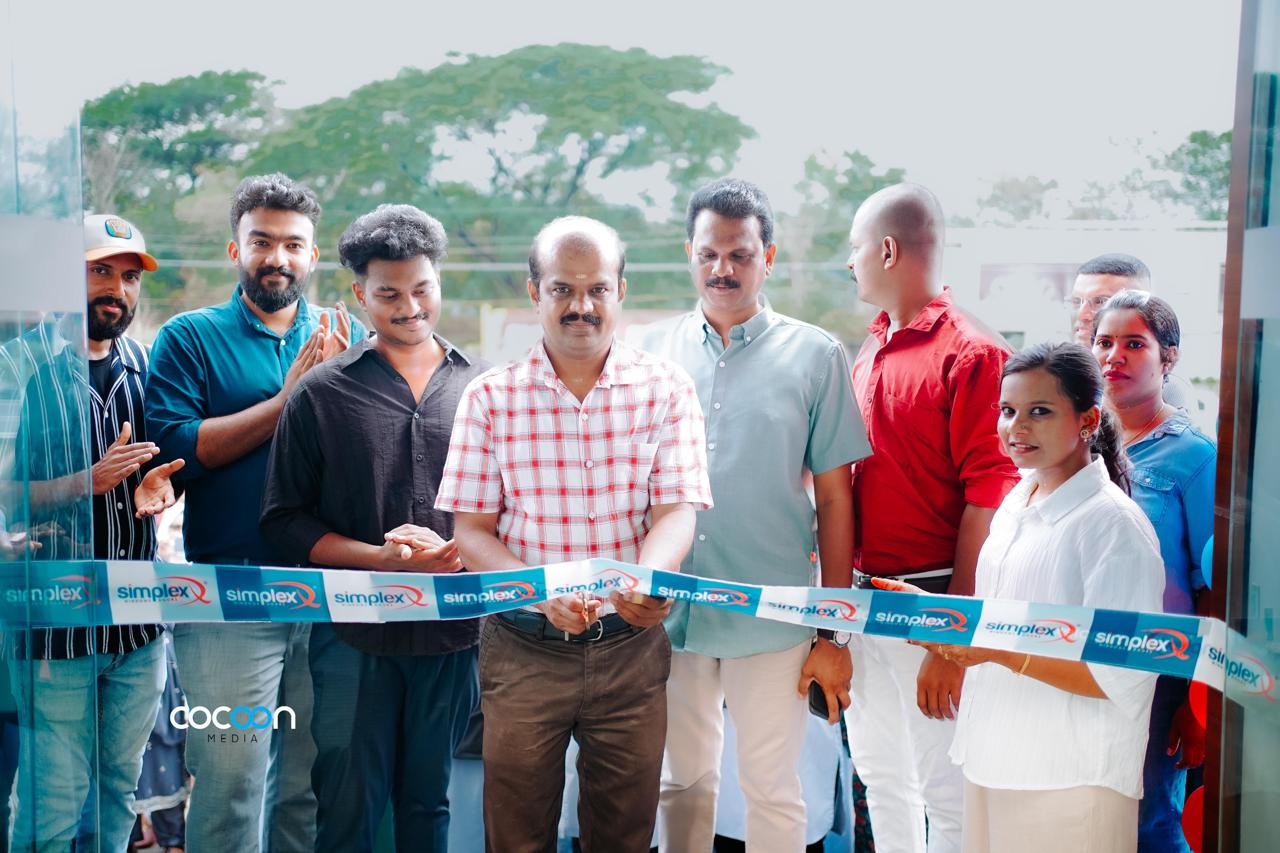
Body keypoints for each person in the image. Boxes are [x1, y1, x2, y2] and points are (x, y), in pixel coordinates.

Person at [437, 216, 712, 853]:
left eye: (597, 289)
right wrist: (540, 594)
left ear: (621, 291)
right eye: (563, 289)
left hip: (631, 648)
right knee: (517, 836)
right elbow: (471, 532)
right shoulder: (489, 398)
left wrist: (645, 581)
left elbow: (676, 511)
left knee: (623, 836)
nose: (581, 306)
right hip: (522, 648)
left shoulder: (666, 389)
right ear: (535, 292)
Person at [635, 178, 870, 851]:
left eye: (740, 254)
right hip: (667, 614)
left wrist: (832, 630)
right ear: (689, 253)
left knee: (771, 788)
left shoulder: (817, 355)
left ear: (767, 257)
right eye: (709, 253)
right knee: (680, 783)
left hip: (772, 616)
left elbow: (836, 498)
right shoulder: (646, 352)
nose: (723, 269)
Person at [146, 173, 364, 852]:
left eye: (293, 244)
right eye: (261, 241)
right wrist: (290, 400)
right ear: (234, 249)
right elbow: (176, 449)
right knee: (228, 780)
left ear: (313, 255)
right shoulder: (189, 336)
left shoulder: (349, 333)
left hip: (330, 598)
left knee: (307, 785)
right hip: (229, 599)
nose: (277, 257)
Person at [261, 204, 486, 852]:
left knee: (429, 802)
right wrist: (378, 559)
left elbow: (507, 509)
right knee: (346, 803)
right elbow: (283, 520)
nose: (410, 307)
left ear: (439, 282)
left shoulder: (481, 389)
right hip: (353, 636)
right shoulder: (320, 393)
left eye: (422, 289)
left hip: (453, 635)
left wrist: (461, 552)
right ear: (360, 295)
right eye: (389, 294)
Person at [883, 342, 1165, 853]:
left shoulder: (1114, 526)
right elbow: (1004, 616)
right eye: (1008, 410)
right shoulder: (1017, 500)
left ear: (1088, 420)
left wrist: (996, 651)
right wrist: (942, 617)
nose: (1016, 427)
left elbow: (1122, 673)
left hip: (1069, 781)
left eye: (1039, 411)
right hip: (991, 759)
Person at [844, 183, 1020, 853]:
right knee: (881, 779)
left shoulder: (972, 353)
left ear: (888, 250)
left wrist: (953, 634)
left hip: (931, 605)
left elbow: (989, 497)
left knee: (946, 792)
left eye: (856, 248)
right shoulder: (872, 348)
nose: (850, 262)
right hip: (863, 601)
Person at [8, 214, 183, 850]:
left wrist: (163, 487)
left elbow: (168, 471)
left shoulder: (149, 365)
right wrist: (82, 483)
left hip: (137, 627)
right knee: (52, 801)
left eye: (130, 278)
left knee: (118, 791)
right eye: (100, 271)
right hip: (54, 627)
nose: (118, 290)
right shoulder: (17, 365)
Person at [1092, 290, 1215, 853]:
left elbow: (1211, 589)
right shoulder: (1077, 444)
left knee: (1149, 823)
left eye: (1134, 344)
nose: (1113, 356)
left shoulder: (1195, 456)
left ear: (1169, 356)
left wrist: (1196, 705)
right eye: (1104, 342)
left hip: (1159, 674)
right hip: (1079, 661)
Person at [1066, 253, 1190, 410]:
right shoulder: (1059, 373)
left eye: (1101, 301)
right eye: (1076, 302)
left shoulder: (1170, 393)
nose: (1082, 315)